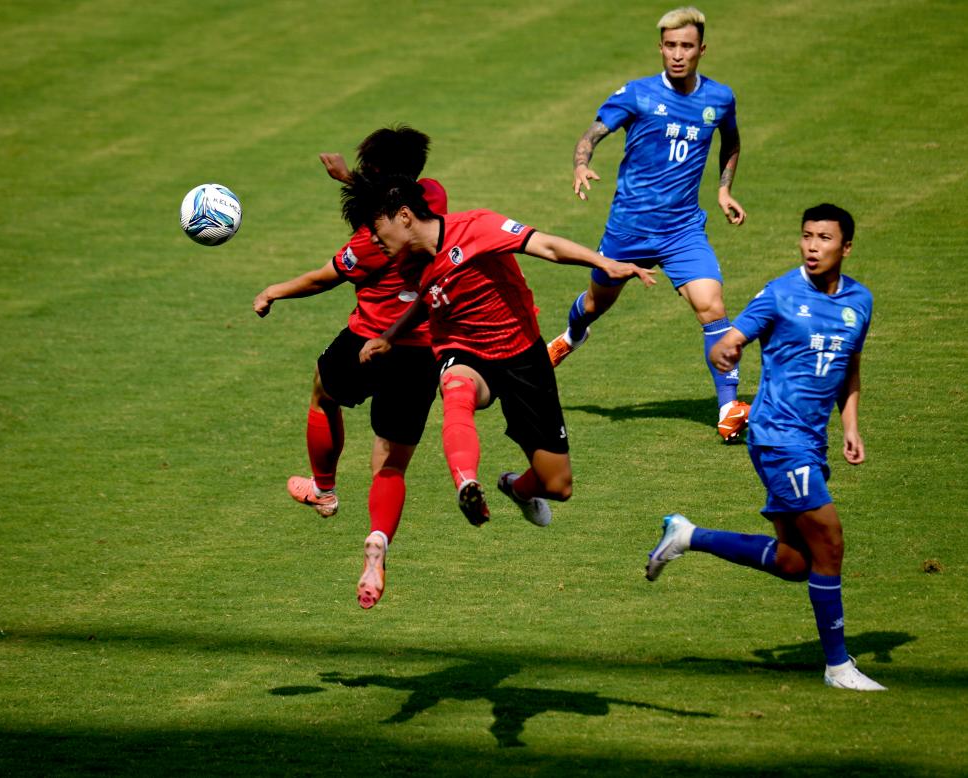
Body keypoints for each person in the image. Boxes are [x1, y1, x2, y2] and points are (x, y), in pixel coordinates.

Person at [645, 204, 885, 691]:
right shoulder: (780, 293)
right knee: (831, 543)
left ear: (846, 247)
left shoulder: (859, 301)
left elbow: (849, 368)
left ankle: (688, 535)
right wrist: (726, 349)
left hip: (811, 442)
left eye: (824, 238)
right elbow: (729, 339)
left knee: (795, 562)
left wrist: (851, 426)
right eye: (807, 236)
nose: (812, 246)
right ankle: (838, 667)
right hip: (777, 437)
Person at [345, 174, 657, 527]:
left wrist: (603, 263)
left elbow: (547, 246)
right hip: (462, 349)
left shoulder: (477, 227)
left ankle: (517, 488)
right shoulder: (406, 259)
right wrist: (391, 335)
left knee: (558, 485)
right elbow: (430, 295)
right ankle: (467, 483)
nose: (373, 239)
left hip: (522, 355)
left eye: (376, 229)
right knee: (456, 389)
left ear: (404, 216)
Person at [253, 126, 446, 609]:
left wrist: (273, 291)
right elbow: (394, 192)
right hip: (422, 351)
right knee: (390, 464)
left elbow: (323, 278)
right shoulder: (434, 198)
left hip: (367, 340)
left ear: (374, 172)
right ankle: (378, 543)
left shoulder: (369, 243)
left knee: (324, 391)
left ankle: (324, 490)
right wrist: (351, 179)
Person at [547, 6, 750, 442]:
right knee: (595, 304)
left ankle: (728, 408)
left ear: (701, 49)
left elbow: (731, 140)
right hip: (629, 229)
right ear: (660, 47)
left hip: (682, 231)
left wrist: (723, 190)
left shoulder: (719, 98)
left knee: (712, 306)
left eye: (686, 46)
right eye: (670, 46)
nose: (677, 54)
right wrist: (581, 164)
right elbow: (591, 135)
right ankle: (572, 336)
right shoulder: (637, 94)